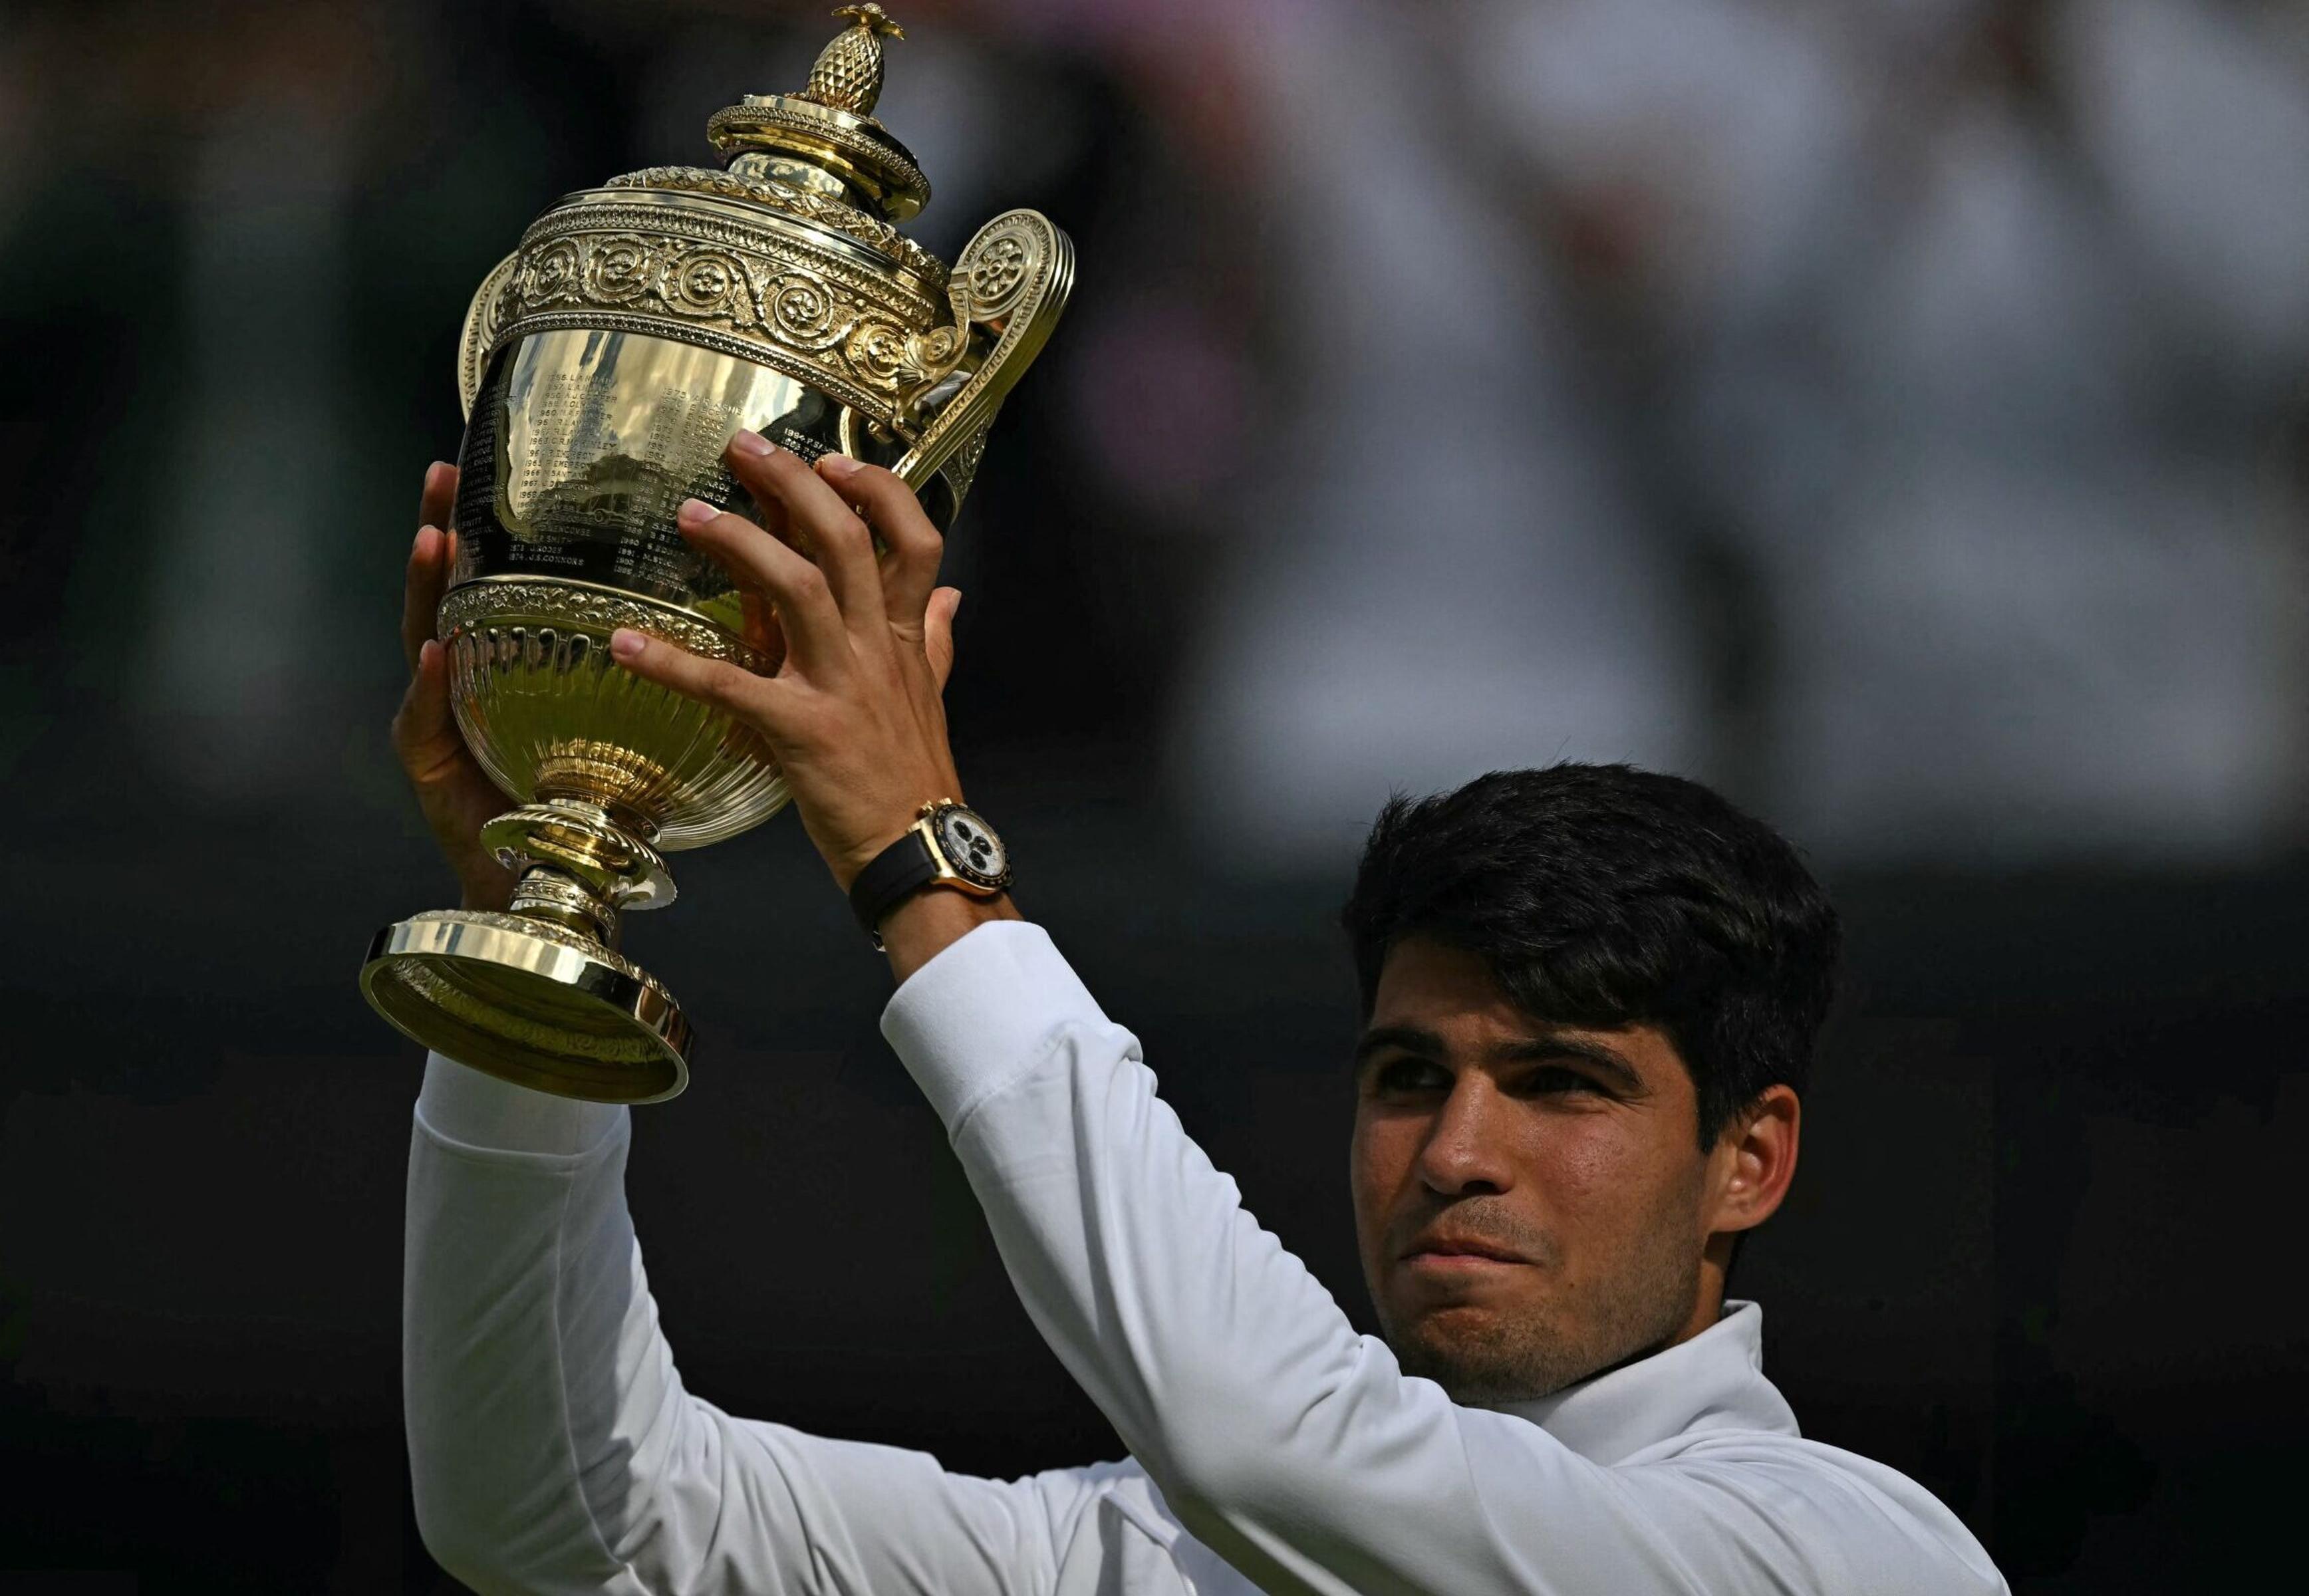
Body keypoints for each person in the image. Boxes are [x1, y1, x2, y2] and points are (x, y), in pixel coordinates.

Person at [392, 437, 2009, 1595]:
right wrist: (539, 957)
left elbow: (1287, 1455)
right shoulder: (1141, 1546)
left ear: (1751, 1159)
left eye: (1562, 1084)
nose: (1457, 1152)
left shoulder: (1845, 1549)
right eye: (1407, 1076)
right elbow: (569, 1527)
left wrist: (926, 868)